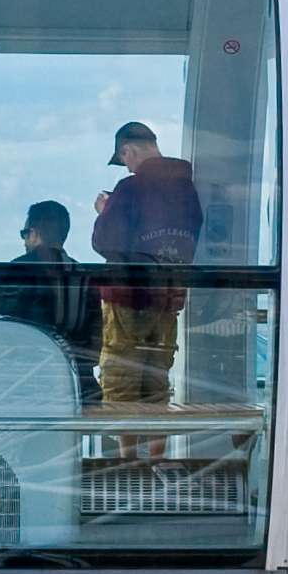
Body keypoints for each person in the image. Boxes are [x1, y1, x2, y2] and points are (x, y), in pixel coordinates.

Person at [89, 121, 202, 456]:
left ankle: (128, 463)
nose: (127, 165)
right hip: (167, 299)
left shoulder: (130, 188)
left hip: (127, 298)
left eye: (125, 159)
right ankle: (158, 462)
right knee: (156, 383)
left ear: (129, 150)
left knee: (121, 379)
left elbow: (106, 241)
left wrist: (105, 210)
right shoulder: (187, 189)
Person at [0, 198, 100, 404]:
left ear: (34, 232)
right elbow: (95, 346)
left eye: (25, 234)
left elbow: (2, 337)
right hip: (78, 387)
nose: (24, 241)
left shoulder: (15, 271)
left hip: (24, 387)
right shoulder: (83, 275)